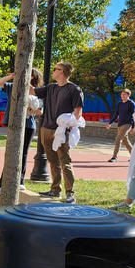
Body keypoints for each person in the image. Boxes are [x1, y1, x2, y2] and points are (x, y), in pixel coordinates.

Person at [30, 61, 84, 203]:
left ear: (62, 72)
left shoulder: (74, 89)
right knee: (53, 162)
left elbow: (78, 112)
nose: (53, 71)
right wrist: (22, 77)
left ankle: (70, 193)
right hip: (46, 129)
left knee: (65, 162)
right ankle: (55, 190)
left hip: (61, 132)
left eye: (56, 69)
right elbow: (32, 91)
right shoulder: (51, 87)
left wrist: (71, 125)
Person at [0, 69, 44, 196]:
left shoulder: (36, 91)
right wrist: (11, 76)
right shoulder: (13, 87)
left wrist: (31, 108)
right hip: (14, 125)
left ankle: (18, 181)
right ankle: (2, 185)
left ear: (31, 77)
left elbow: (40, 112)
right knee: (12, 153)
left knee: (23, 154)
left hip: (28, 126)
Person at [105, 88, 135, 162]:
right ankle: (134, 156)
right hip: (120, 124)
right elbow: (116, 114)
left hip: (128, 124)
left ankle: (114, 157)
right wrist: (110, 123)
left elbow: (134, 116)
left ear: (128, 95)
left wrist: (133, 127)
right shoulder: (120, 104)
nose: (122, 96)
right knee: (125, 141)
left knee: (118, 139)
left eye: (124, 94)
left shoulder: (131, 103)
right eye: (122, 94)